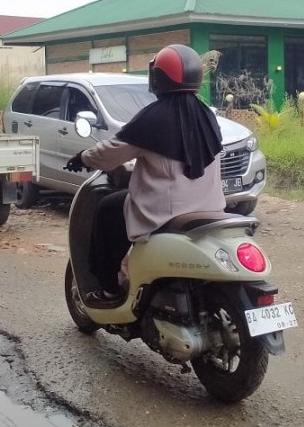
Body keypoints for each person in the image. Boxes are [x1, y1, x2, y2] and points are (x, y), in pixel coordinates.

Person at [66, 44, 226, 307]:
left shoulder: (153, 118)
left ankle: (107, 289)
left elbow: (111, 152)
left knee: (107, 209)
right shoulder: (206, 114)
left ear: (158, 77)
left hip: (166, 212)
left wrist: (83, 157)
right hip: (210, 208)